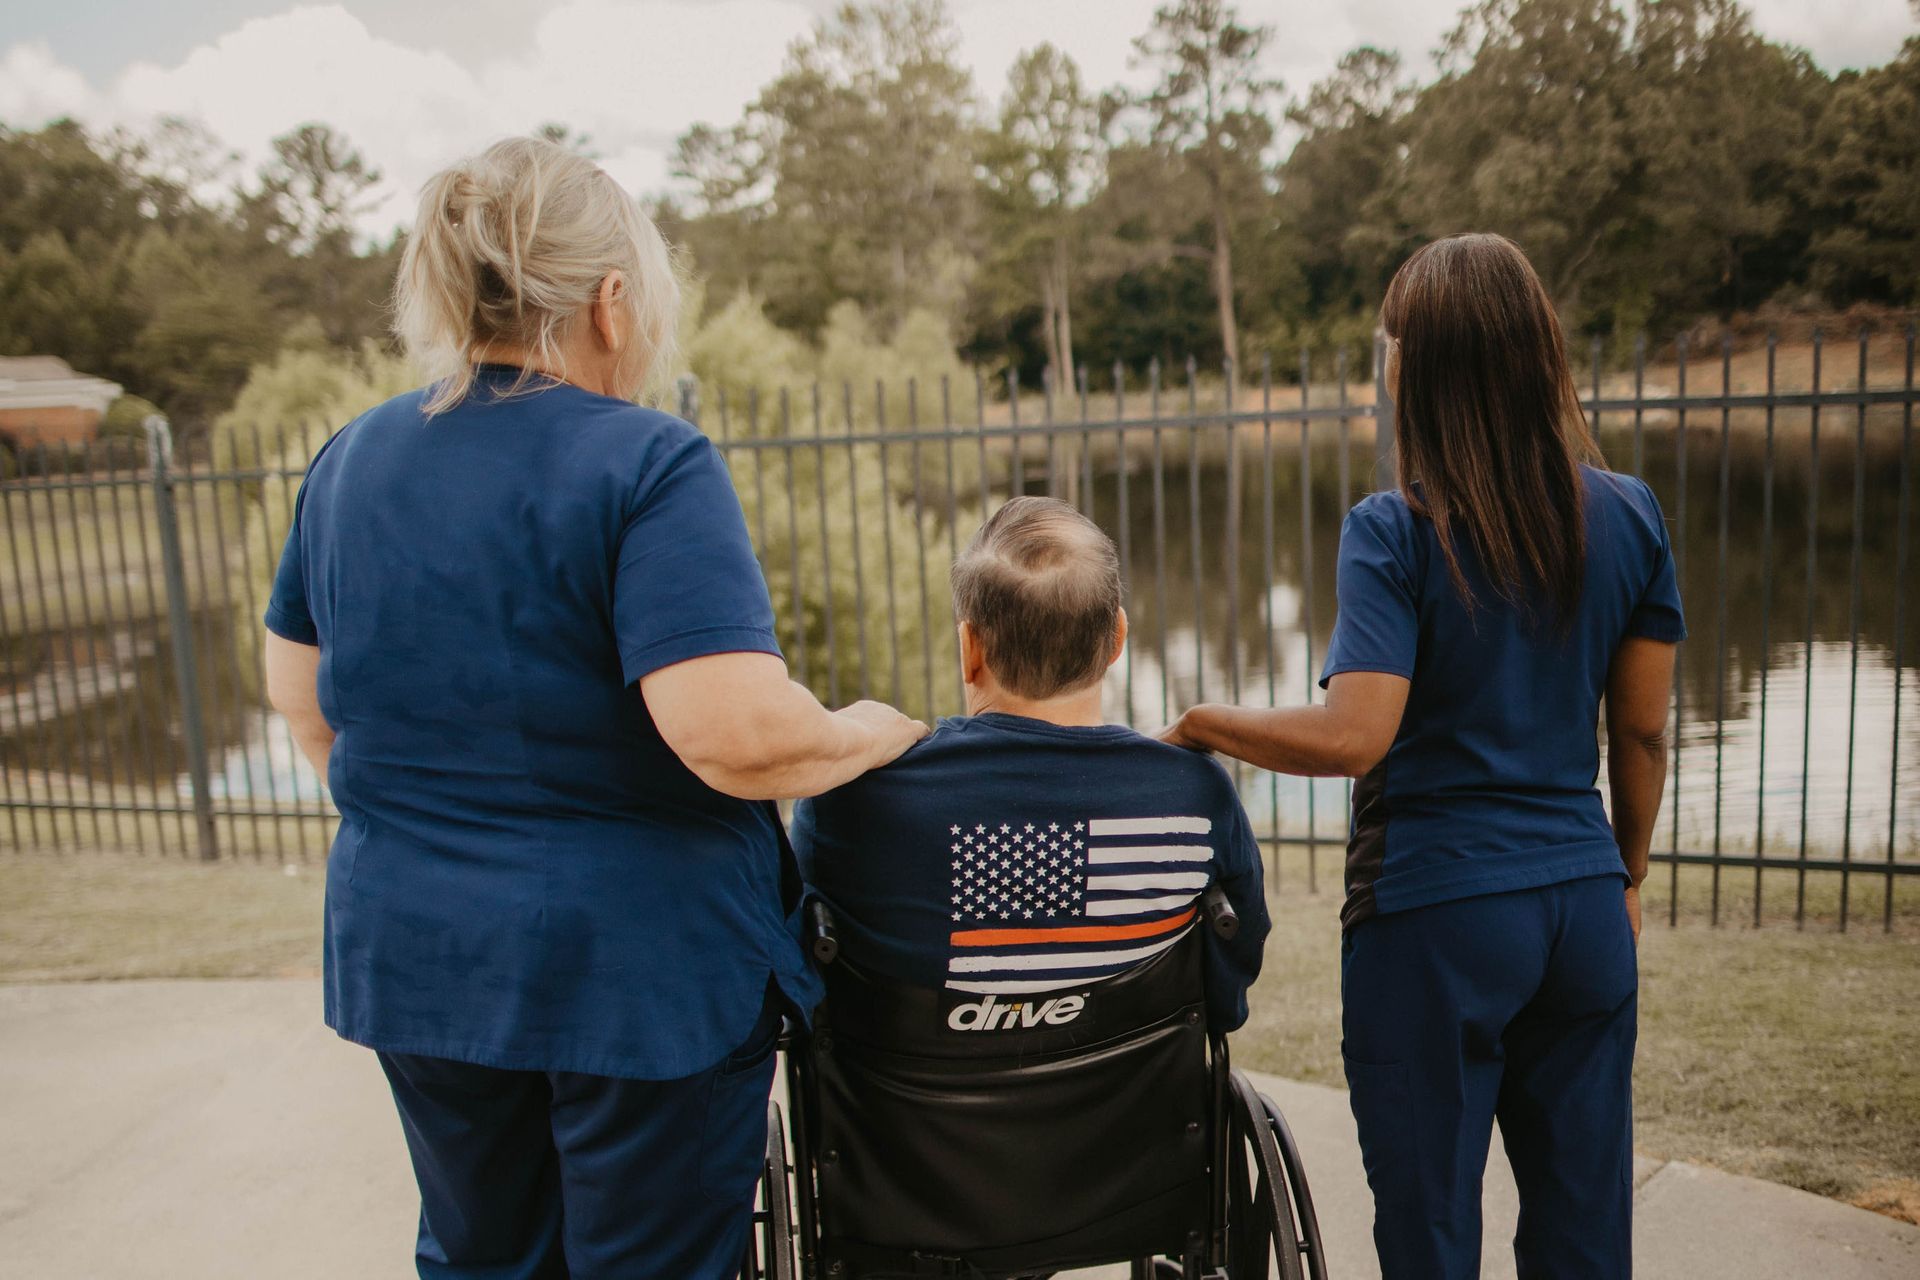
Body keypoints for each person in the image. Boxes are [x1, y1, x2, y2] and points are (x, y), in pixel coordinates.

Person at [261, 136, 926, 1279]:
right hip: (636, 981)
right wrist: (870, 726)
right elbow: (735, 736)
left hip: (421, 960)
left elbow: (309, 709)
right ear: (610, 303)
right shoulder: (646, 462)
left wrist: (446, 837)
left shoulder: (348, 461)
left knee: (483, 1256)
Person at [1162, 233, 1682, 1279]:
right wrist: (1622, 872)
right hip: (1580, 914)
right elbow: (1641, 730)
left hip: (1435, 922)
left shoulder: (1394, 531)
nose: (1381, 362)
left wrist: (1201, 720)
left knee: (1432, 1233)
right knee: (1587, 1233)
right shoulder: (1630, 514)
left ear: (1420, 365)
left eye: (1388, 341)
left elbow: (1358, 736)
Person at [794, 496, 1269, 1034]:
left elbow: (805, 968)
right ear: (1117, 639)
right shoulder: (1196, 796)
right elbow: (1234, 956)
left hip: (898, 1110)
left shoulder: (847, 800)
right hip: (1139, 1105)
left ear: (968, 647)